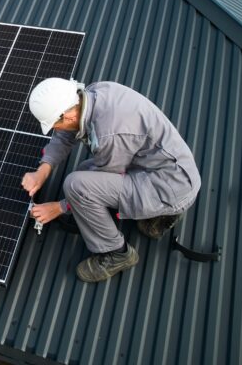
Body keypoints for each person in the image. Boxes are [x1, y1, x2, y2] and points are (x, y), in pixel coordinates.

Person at [23, 78, 201, 283]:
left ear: (68, 116)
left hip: (171, 186)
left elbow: (104, 179)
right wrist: (43, 170)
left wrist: (59, 207)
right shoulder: (91, 94)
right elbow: (65, 134)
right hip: (165, 168)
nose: (56, 128)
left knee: (77, 185)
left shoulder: (109, 134)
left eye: (55, 123)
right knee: (84, 172)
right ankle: (160, 215)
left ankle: (117, 253)